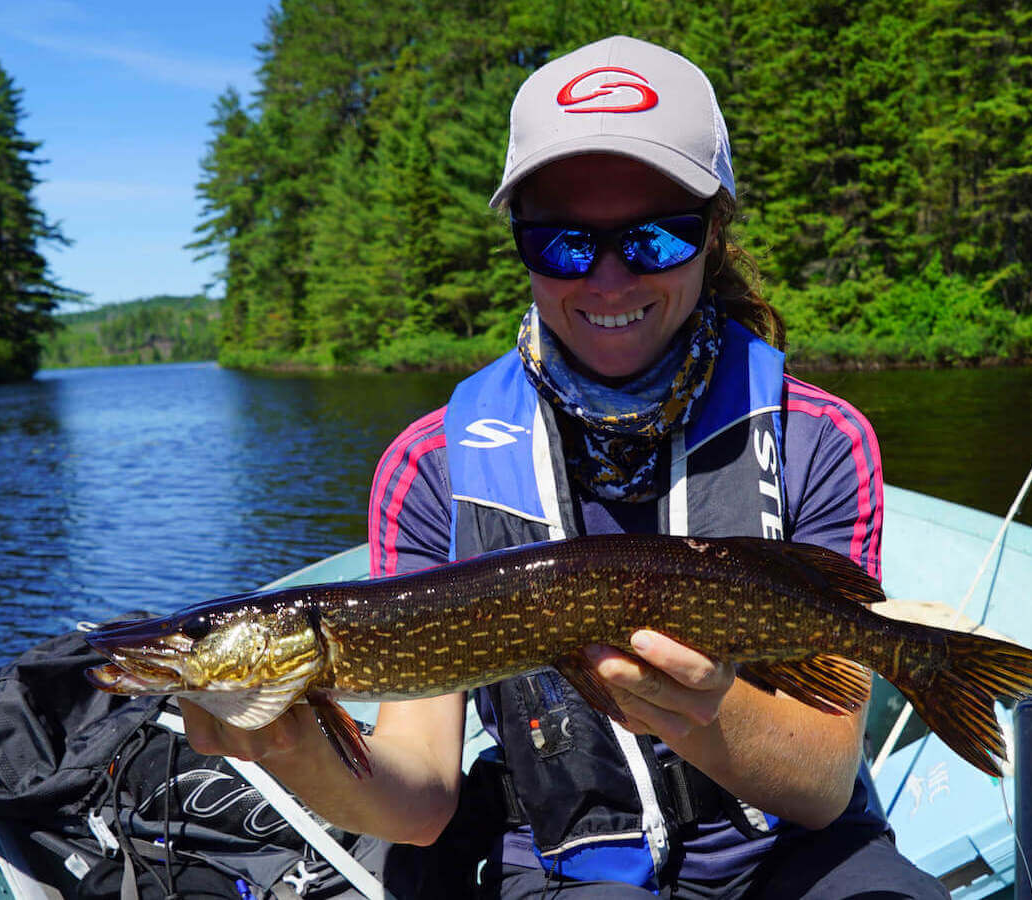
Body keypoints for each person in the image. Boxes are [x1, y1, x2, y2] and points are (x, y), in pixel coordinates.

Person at [180, 35, 948, 899]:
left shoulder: (818, 438)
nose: (610, 281)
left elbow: (822, 785)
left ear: (713, 234)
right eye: (564, 245)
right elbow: (420, 800)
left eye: (656, 238)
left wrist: (707, 713)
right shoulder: (431, 468)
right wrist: (291, 748)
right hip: (561, 864)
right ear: (521, 242)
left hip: (793, 854)